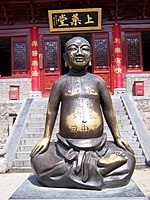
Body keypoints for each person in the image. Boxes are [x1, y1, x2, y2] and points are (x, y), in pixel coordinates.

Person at [30, 36, 135, 190]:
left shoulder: (98, 81)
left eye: (84, 49)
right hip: (66, 146)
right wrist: (46, 137)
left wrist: (117, 136)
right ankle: (100, 167)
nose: (79, 53)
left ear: (90, 57)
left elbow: (108, 110)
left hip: (98, 145)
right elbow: (51, 111)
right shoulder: (60, 82)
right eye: (73, 48)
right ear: (65, 58)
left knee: (129, 160)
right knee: (38, 160)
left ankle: (85, 169)